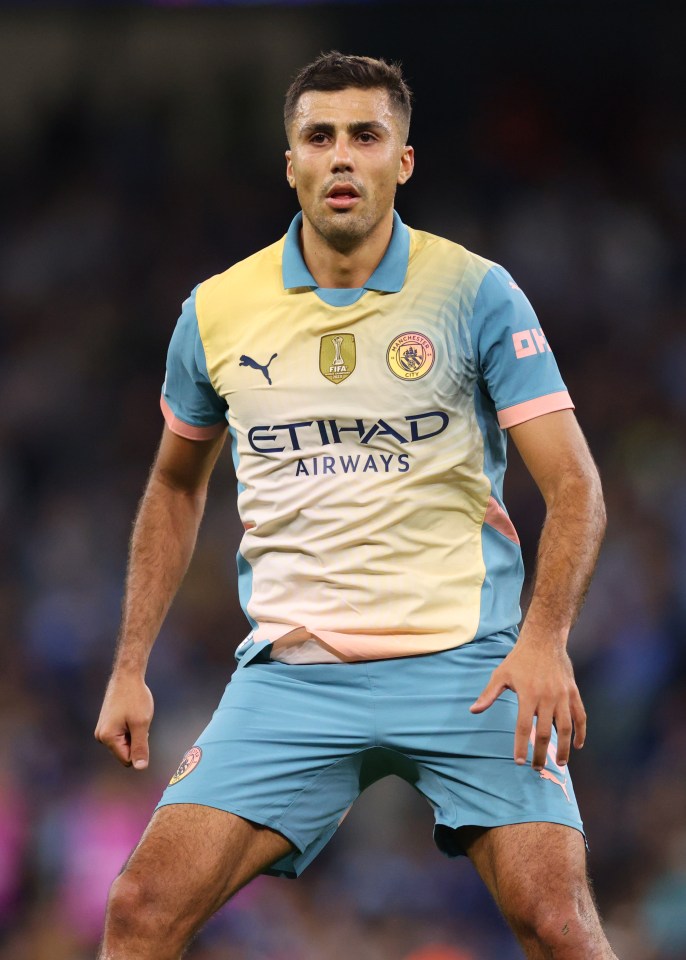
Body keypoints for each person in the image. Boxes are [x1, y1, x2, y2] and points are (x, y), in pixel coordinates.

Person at [95, 52, 617, 959]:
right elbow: (176, 484)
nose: (342, 158)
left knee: (558, 920)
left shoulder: (475, 292)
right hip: (294, 676)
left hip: (471, 663)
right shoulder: (217, 311)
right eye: (319, 137)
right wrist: (129, 662)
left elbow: (575, 485)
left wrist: (544, 639)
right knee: (139, 910)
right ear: (289, 162)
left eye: (366, 137)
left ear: (402, 162)